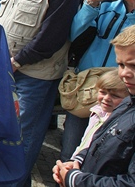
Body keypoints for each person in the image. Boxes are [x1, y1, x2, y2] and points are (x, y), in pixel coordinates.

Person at [0, 0, 84, 187]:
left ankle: (12, 182)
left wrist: (16, 61)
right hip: (9, 68)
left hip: (34, 74)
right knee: (5, 133)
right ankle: (7, 179)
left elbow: (52, 35)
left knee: (23, 137)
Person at [60, 0, 135, 162]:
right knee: (70, 150)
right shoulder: (109, 2)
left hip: (124, 92)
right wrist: (91, 3)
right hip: (89, 85)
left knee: (105, 157)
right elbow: (75, 33)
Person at [53, 24, 135, 187]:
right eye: (121, 65)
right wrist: (78, 162)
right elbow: (101, 140)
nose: (124, 73)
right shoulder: (129, 101)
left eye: (133, 66)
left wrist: (75, 179)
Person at [71, 69, 129, 158]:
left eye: (115, 96)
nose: (106, 98)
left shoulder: (123, 124)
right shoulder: (97, 113)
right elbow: (85, 142)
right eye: (103, 92)